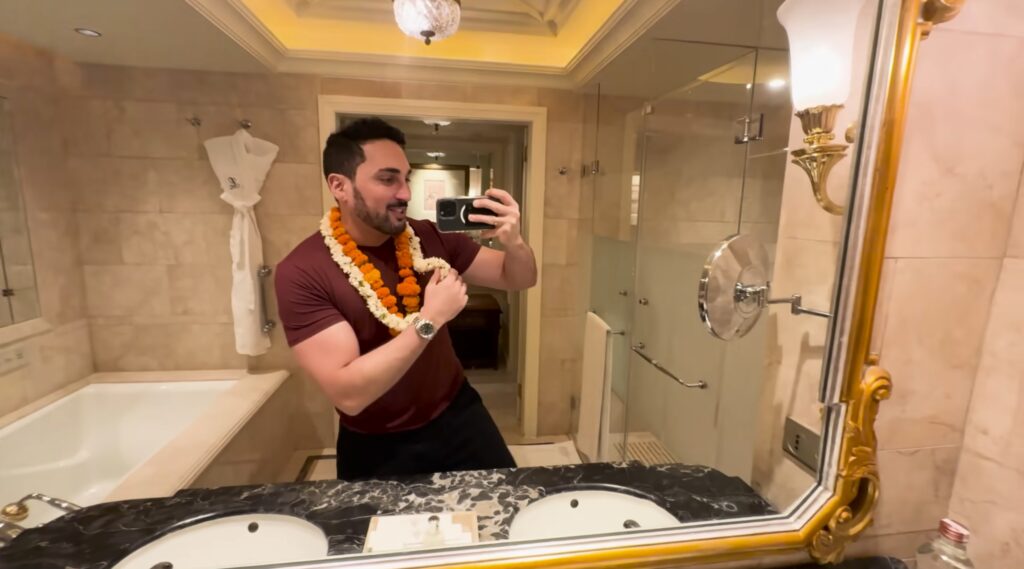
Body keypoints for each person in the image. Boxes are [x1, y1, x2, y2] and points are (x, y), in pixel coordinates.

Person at [274, 117, 537, 480]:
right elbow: (349, 394)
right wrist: (430, 320)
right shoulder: (303, 271)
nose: (405, 194)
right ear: (339, 186)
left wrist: (515, 243)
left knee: (506, 506)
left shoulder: (428, 236)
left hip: (459, 414)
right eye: (387, 179)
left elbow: (519, 277)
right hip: (375, 443)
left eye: (406, 178)